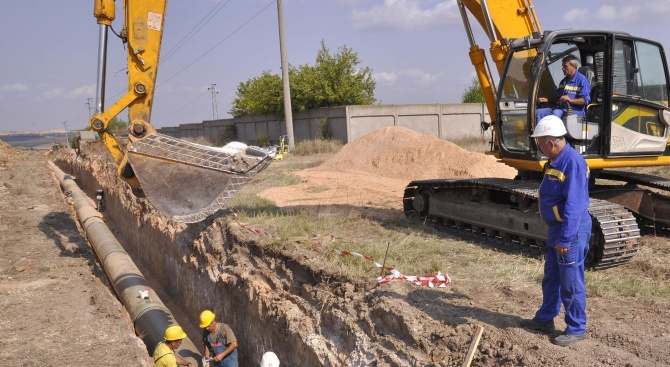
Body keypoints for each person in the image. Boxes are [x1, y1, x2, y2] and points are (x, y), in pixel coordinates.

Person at [521, 115, 592, 347]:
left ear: (551, 143)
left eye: (540, 143)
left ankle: (576, 327)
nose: (539, 147)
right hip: (557, 230)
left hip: (569, 231)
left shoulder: (572, 162)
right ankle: (545, 319)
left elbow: (575, 205)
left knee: (570, 281)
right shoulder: (556, 160)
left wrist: (566, 238)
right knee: (551, 278)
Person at [536, 55, 591, 122]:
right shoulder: (563, 81)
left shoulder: (582, 80)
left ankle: (553, 132)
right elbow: (559, 97)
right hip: (561, 108)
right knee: (538, 112)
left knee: (556, 112)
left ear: (573, 66)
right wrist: (548, 100)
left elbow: (585, 100)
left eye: (565, 66)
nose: (563, 69)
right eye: (563, 66)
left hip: (575, 110)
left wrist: (570, 100)